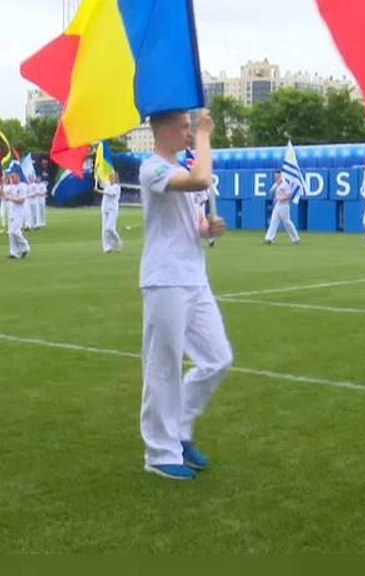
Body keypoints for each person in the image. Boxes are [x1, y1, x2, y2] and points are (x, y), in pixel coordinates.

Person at [137, 109, 232, 481]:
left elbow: (190, 220)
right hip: (165, 279)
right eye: (184, 127)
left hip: (194, 277)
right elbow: (199, 179)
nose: (189, 133)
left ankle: (180, 431)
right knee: (163, 366)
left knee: (217, 358)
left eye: (191, 128)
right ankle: (160, 452)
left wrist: (208, 227)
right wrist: (207, 136)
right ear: (162, 130)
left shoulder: (179, 167)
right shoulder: (152, 168)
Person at [263, 171, 301, 245]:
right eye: (275, 177)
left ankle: (295, 238)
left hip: (284, 205)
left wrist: (281, 198)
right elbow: (271, 192)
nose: (276, 178)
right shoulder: (276, 185)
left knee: (287, 222)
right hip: (278, 205)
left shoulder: (285, 185)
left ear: (281, 176)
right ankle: (269, 238)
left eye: (277, 177)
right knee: (273, 221)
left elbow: (289, 195)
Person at [5, 172, 30, 259]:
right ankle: (14, 252)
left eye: (14, 177)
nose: (12, 178)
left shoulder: (22, 186)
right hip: (11, 211)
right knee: (10, 233)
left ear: (18, 177)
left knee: (14, 231)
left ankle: (25, 246)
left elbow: (22, 200)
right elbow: (3, 194)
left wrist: (11, 198)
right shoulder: (11, 187)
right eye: (11, 177)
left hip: (19, 212)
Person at [97, 172, 123, 253]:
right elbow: (101, 183)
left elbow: (110, 193)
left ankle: (117, 240)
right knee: (104, 229)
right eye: (110, 177)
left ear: (116, 179)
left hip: (113, 209)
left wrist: (99, 191)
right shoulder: (107, 184)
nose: (111, 179)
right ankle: (107, 247)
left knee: (110, 228)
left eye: (113, 177)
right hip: (105, 209)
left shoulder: (117, 187)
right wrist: (97, 175)